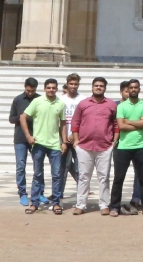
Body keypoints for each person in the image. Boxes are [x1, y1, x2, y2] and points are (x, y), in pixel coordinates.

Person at [19, 78, 67, 214]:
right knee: (38, 174)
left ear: (57, 89)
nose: (51, 90)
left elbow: (63, 124)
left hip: (54, 145)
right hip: (39, 143)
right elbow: (23, 117)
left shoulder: (61, 104)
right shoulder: (37, 101)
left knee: (57, 175)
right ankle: (34, 203)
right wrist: (28, 136)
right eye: (49, 88)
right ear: (45, 89)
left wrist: (63, 142)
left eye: (53, 88)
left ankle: (56, 203)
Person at [70, 76, 117, 215]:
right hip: (84, 145)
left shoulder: (111, 105)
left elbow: (115, 125)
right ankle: (81, 204)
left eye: (101, 86)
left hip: (105, 146)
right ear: (92, 87)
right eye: (96, 85)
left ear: (105, 88)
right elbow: (75, 122)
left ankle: (104, 205)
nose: (98, 87)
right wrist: (76, 141)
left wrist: (114, 142)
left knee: (104, 177)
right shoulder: (83, 103)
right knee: (84, 176)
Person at [109, 79, 143, 217]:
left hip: (140, 145)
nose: (133, 90)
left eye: (136, 87)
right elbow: (121, 126)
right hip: (123, 146)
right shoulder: (122, 106)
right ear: (127, 90)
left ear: (139, 89)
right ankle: (115, 207)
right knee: (118, 178)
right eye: (131, 88)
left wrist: (128, 121)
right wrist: (138, 123)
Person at [9, 77, 39, 207]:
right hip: (20, 138)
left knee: (38, 167)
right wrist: (22, 117)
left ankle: (38, 192)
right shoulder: (18, 100)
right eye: (28, 90)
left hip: (36, 138)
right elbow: (11, 118)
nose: (30, 93)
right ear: (25, 87)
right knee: (20, 166)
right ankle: (22, 193)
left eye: (32, 91)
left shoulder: (40, 100)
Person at [56, 73, 83, 207]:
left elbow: (84, 120)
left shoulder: (83, 100)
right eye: (71, 84)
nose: (73, 86)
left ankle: (81, 199)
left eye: (75, 84)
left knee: (79, 169)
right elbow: (59, 121)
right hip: (63, 138)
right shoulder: (60, 100)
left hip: (79, 138)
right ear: (67, 84)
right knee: (62, 169)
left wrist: (74, 134)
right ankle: (58, 198)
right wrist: (63, 138)